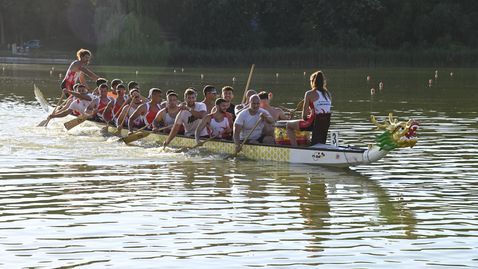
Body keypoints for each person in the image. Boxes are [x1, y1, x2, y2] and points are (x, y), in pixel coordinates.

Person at [286, 70, 332, 146]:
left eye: (310, 81)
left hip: (313, 123)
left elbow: (304, 116)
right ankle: (309, 144)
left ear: (313, 82)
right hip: (325, 123)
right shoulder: (327, 94)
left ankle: (295, 149)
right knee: (306, 125)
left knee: (289, 125)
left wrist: (307, 117)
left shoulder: (309, 94)